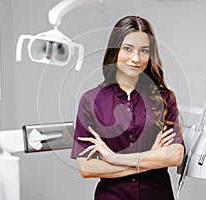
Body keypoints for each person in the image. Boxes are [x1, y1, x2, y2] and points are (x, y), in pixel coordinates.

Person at [71, 15, 184, 200]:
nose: (136, 58)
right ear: (115, 50)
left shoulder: (164, 98)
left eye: (144, 50)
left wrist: (115, 158)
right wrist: (152, 158)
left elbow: (175, 156)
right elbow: (86, 167)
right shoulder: (91, 101)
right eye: (128, 49)